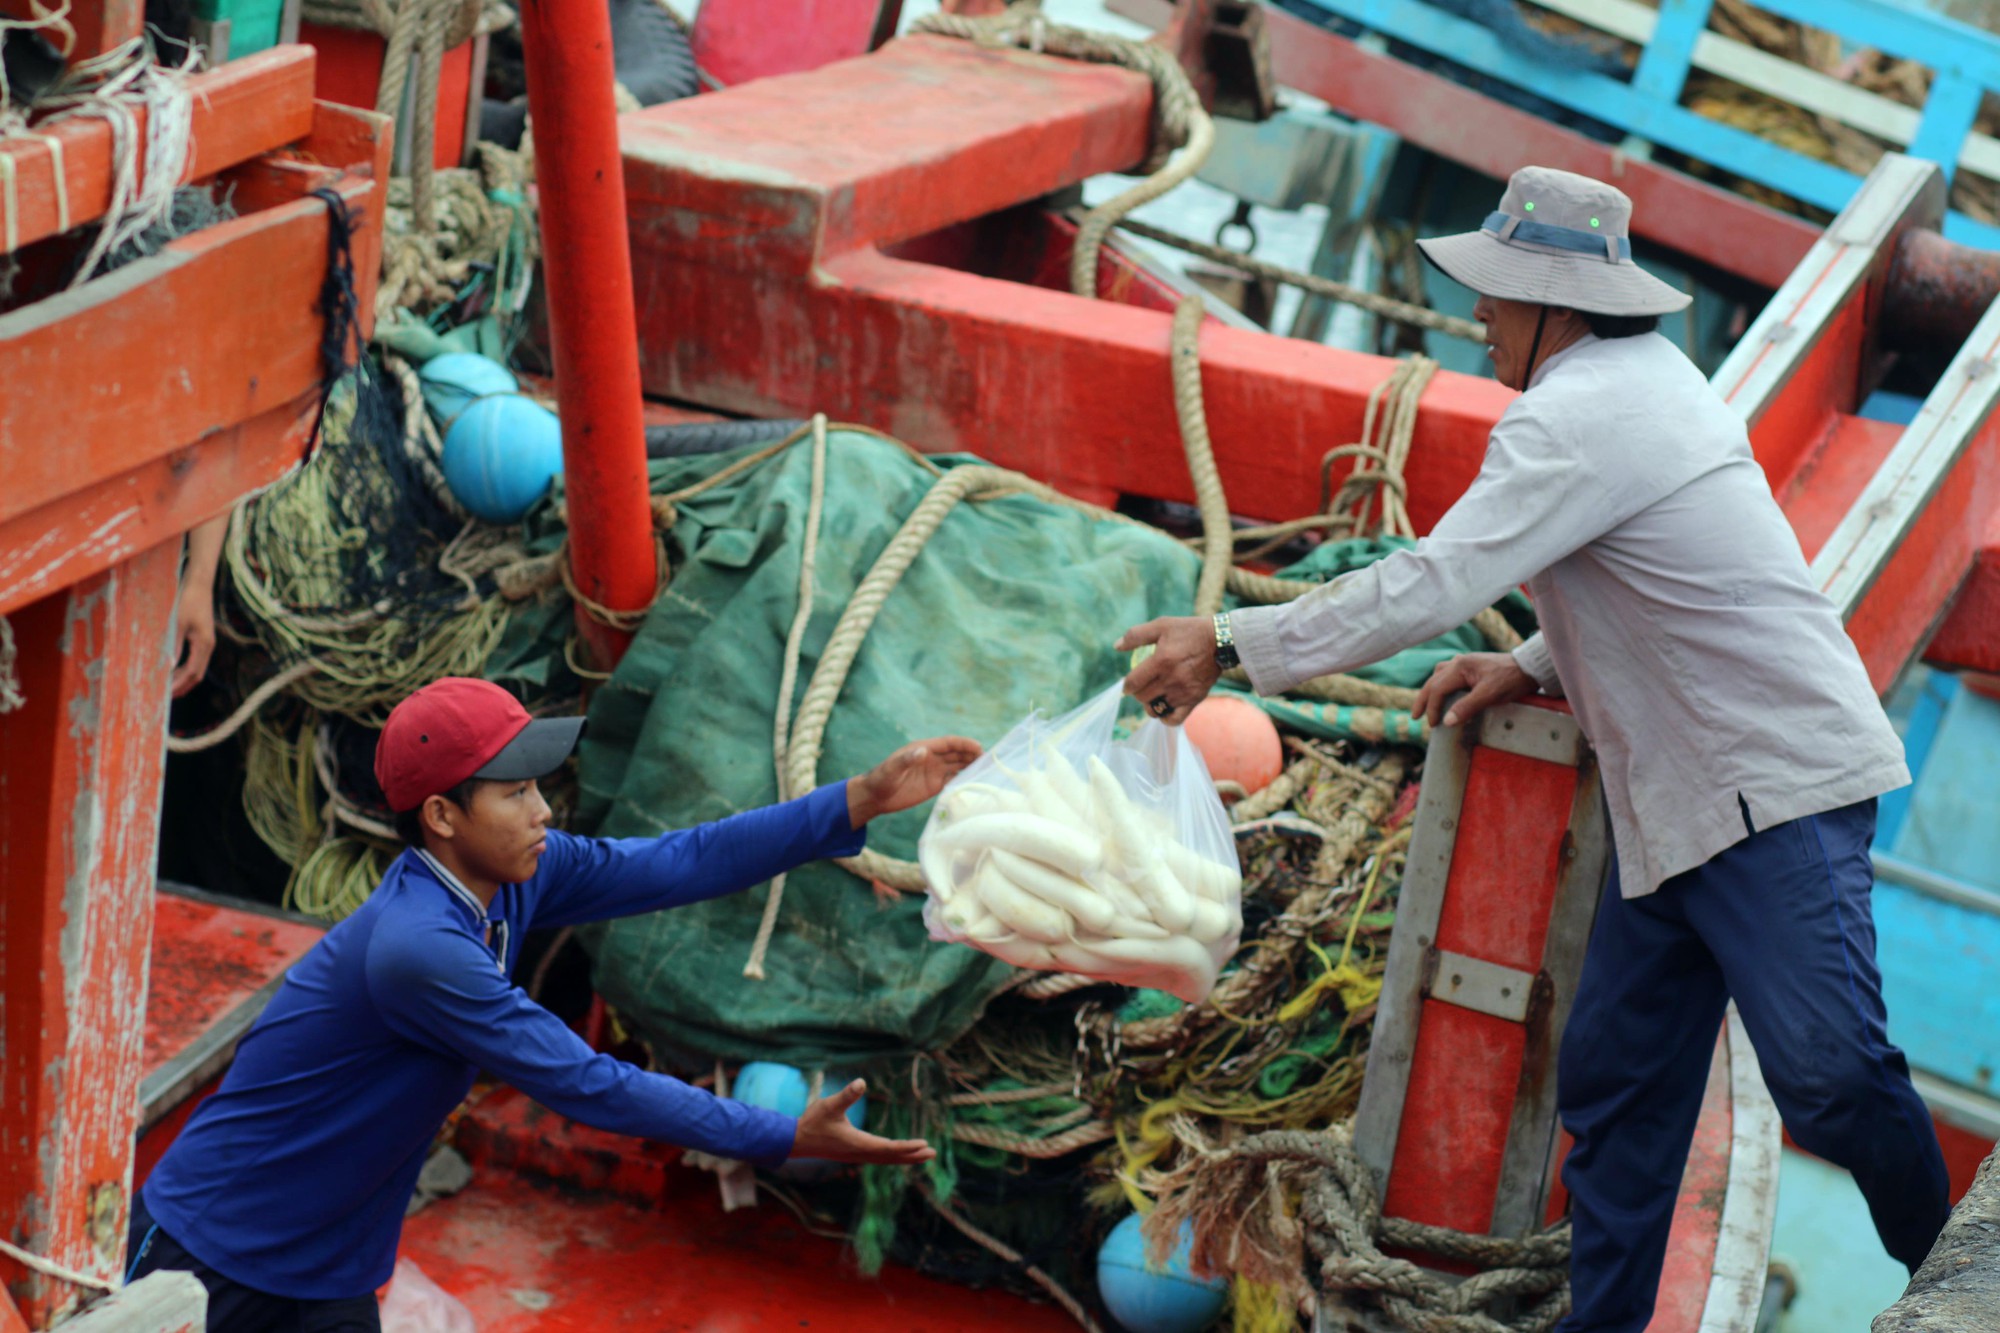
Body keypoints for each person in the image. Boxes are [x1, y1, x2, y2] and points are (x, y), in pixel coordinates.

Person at [1117, 166, 1949, 1331]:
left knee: (1831, 1074)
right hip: (1672, 807)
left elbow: (1431, 581)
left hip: (1772, 788)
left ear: (1558, 306)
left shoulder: (1576, 413)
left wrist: (1226, 640)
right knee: (1615, 1090)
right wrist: (1533, 664)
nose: (1477, 317)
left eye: (1495, 297)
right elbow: (1650, 573)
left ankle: (1958, 1274)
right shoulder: (1645, 384)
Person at [132, 676, 980, 1331]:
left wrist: (858, 798)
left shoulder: (516, 873)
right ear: (442, 815)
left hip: (331, 1269)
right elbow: (586, 1082)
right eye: (515, 791)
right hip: (212, 1250)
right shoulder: (418, 948)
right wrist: (781, 1134)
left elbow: (681, 860)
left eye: (540, 785)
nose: (543, 809)